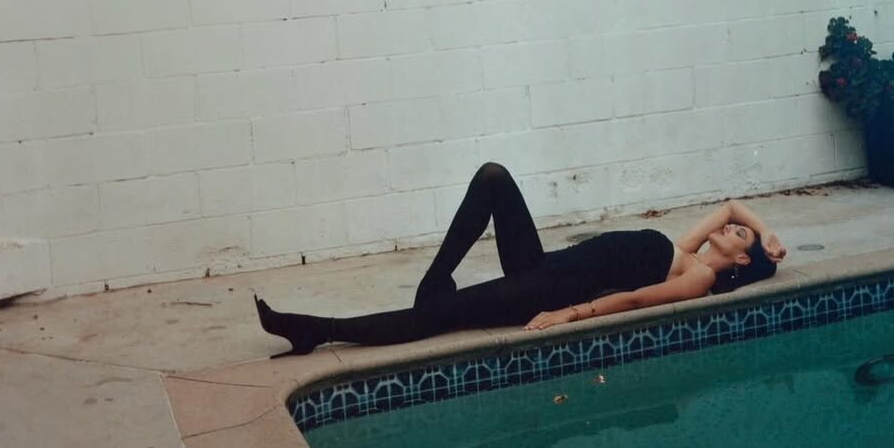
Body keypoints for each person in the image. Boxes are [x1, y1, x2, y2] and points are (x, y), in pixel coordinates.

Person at [253, 161, 786, 356]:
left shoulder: (696, 278)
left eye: (738, 236)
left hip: (546, 291)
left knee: (433, 318)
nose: (729, 226)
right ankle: (435, 276)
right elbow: (730, 205)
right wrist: (766, 234)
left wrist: (568, 314)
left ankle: (315, 330)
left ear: (740, 262)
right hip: (543, 263)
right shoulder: (686, 249)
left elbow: (636, 299)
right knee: (494, 177)